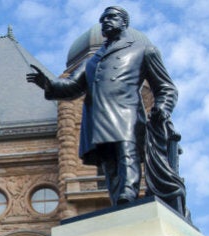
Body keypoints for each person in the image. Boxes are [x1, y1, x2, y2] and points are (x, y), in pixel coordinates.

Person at [27, 6, 178, 206]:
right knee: (109, 162)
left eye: (111, 17)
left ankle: (128, 193)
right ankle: (118, 200)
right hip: (97, 117)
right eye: (103, 19)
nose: (105, 22)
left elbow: (166, 87)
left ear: (124, 22)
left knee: (127, 153)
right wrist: (47, 83)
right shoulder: (92, 60)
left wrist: (162, 107)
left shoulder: (143, 49)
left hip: (126, 112)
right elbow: (72, 86)